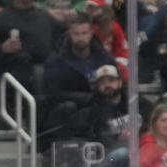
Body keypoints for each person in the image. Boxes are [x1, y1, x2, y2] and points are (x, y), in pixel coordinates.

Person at [42, 13, 117, 144]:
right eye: (76, 34)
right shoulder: (56, 61)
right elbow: (52, 95)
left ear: (91, 33)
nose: (80, 38)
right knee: (68, 107)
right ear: (69, 34)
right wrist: (86, 98)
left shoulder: (105, 58)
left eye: (84, 33)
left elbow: (118, 85)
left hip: (100, 108)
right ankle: (63, 148)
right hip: (66, 112)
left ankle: (108, 144)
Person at [73, 65, 155, 167]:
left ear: (120, 82)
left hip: (137, 153)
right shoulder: (93, 109)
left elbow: (153, 113)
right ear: (97, 87)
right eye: (102, 83)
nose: (107, 85)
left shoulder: (135, 102)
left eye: (111, 80)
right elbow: (103, 137)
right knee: (122, 154)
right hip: (105, 158)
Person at [0, 0, 65, 95]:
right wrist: (2, 48)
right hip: (15, 74)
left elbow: (65, 35)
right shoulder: (2, 18)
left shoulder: (44, 16)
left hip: (45, 72)